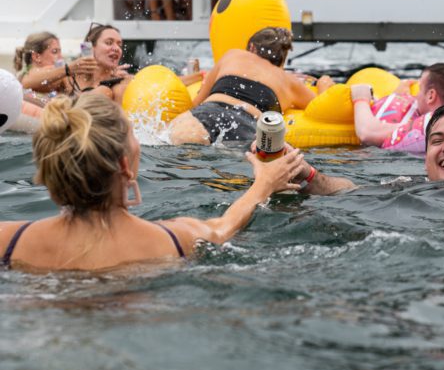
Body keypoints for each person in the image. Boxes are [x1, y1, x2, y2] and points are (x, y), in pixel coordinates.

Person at [0, 94, 305, 272]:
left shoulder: (8, 241)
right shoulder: (173, 240)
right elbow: (222, 228)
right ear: (124, 165)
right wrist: (263, 184)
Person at [169, 27, 329, 145]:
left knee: (183, 148)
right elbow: (321, 108)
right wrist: (323, 82)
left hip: (208, 113)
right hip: (248, 127)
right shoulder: (288, 81)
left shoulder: (233, 55)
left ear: (252, 47)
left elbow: (197, 102)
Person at [295, 103, 444, 195]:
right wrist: (307, 173)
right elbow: (352, 191)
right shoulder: (408, 189)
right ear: (426, 160)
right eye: (437, 141)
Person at [351, 63, 444, 148]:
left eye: (420, 89)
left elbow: (367, 132)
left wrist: (361, 98)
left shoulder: (429, 126)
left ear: (431, 96)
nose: (416, 96)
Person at [14, 32, 96, 98]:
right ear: (36, 57)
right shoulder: (28, 77)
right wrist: (69, 69)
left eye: (60, 52)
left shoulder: (59, 76)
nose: (61, 57)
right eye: (55, 52)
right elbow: (28, 80)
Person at [73, 23, 132, 105]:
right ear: (90, 47)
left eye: (119, 45)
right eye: (109, 43)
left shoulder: (123, 81)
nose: (116, 49)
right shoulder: (70, 78)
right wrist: (68, 68)